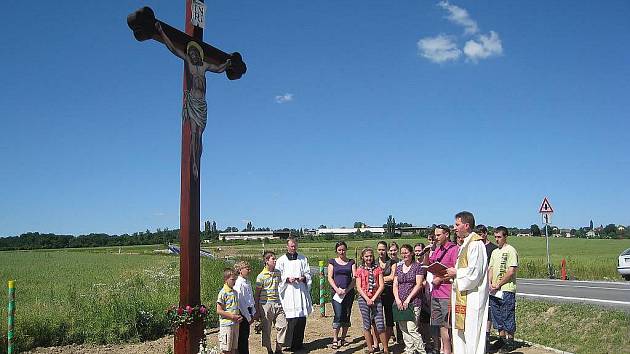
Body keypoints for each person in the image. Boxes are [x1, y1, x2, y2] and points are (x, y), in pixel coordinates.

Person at [155, 22, 231, 179]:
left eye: (196, 54)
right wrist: (162, 32)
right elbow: (173, 49)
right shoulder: (189, 63)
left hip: (202, 106)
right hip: (193, 104)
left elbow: (218, 69)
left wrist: (227, 63)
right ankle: (193, 163)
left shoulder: (204, 66)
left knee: (200, 137)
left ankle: (197, 159)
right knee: (194, 134)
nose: (194, 56)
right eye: (192, 54)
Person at [445, 211, 489, 354]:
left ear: (467, 225)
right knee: (461, 335)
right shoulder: (465, 244)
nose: (454, 228)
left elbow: (475, 273)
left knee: (472, 335)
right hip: (462, 297)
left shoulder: (476, 244)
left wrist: (456, 272)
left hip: (473, 298)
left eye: (457, 224)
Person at [276, 237, 312, 351]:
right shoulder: (281, 260)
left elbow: (308, 274)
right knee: (290, 319)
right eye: (291, 246)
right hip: (288, 293)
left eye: (295, 245)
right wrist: (286, 280)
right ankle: (288, 343)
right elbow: (277, 276)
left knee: (301, 319)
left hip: (300, 292)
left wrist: (304, 278)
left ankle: (298, 343)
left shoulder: (302, 258)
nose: (293, 247)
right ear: (287, 246)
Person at [428, 225, 459, 354]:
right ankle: (446, 349)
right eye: (435, 235)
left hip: (447, 293)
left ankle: (453, 350)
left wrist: (440, 278)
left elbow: (456, 271)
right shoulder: (437, 250)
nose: (436, 237)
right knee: (441, 324)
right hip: (436, 293)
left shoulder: (454, 249)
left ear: (446, 234)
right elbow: (431, 264)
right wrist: (427, 252)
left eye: (438, 235)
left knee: (449, 325)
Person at [488, 226, 519, 353]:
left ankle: (510, 341)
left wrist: (499, 283)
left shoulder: (511, 250)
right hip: (494, 290)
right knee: (497, 316)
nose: (497, 239)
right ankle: (501, 338)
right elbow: (491, 268)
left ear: (505, 236)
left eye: (499, 237)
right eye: (495, 237)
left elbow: (511, 271)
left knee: (507, 315)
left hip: (506, 289)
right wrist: (490, 283)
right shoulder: (495, 252)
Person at [393, 244, 427, 354]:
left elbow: (419, 284)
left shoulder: (418, 267)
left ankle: (421, 351)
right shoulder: (398, 268)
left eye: (406, 252)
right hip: (399, 302)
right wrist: (397, 299)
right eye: (402, 253)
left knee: (412, 328)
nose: (404, 255)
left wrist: (408, 299)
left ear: (411, 253)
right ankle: (409, 350)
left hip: (413, 302)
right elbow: (395, 285)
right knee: (403, 328)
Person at [356, 247, 390, 354]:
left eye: (370, 256)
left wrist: (373, 298)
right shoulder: (360, 269)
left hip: (376, 298)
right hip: (363, 299)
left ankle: (385, 349)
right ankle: (370, 348)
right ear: (363, 257)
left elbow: (381, 285)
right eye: (366, 256)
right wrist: (367, 299)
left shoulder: (378, 269)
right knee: (366, 324)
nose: (369, 258)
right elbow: (358, 287)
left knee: (380, 324)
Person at [255, 251, 287, 354]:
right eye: (273, 259)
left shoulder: (278, 272)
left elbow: (281, 285)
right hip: (265, 305)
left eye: (275, 258)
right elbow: (257, 294)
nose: (275, 260)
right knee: (267, 330)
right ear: (266, 261)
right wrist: (257, 309)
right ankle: (269, 350)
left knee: (283, 325)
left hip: (277, 302)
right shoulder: (260, 276)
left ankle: (278, 348)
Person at [327, 241, 356, 349]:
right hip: (336, 294)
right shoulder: (332, 262)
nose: (342, 252)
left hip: (348, 293)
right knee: (338, 314)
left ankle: (343, 337)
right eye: (339, 250)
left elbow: (354, 277)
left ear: (346, 250)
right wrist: (337, 289)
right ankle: (335, 338)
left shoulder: (351, 262)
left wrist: (348, 289)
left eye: (343, 249)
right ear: (336, 251)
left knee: (347, 314)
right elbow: (330, 277)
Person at [475, 224, 497, 347]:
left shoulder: (492, 248)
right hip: (477, 282)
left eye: (481, 234)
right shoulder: (476, 247)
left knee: (488, 309)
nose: (479, 237)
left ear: (485, 233)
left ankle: (487, 334)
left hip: (488, 280)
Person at [217, 268, 243, 354]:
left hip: (235, 324)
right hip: (227, 324)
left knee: (233, 348)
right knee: (226, 348)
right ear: (226, 279)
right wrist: (232, 316)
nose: (234, 282)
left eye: (235, 279)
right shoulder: (223, 292)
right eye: (232, 279)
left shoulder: (235, 292)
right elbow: (219, 310)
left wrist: (238, 316)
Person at [377, 241, 397, 346]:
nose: (381, 252)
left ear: (386, 250)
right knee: (377, 319)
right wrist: (384, 279)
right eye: (379, 249)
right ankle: (377, 342)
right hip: (377, 294)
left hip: (389, 293)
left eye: (383, 249)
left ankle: (386, 342)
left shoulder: (392, 262)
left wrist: (379, 280)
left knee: (389, 318)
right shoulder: (374, 262)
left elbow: (392, 277)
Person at [234, 261, 256, 354]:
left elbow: (250, 298)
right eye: (247, 269)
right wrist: (248, 316)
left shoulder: (247, 282)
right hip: (243, 312)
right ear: (240, 270)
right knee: (242, 337)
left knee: (245, 336)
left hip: (249, 310)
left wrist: (253, 311)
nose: (249, 270)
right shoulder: (239, 283)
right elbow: (241, 302)